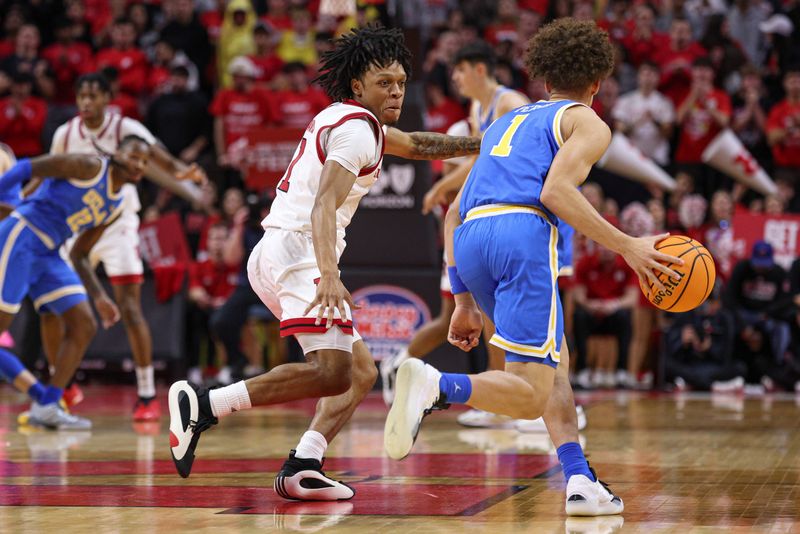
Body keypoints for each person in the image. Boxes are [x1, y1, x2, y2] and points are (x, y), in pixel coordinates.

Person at [167, 25, 483, 501]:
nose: (395, 91)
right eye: (384, 83)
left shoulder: (355, 121)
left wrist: (484, 142)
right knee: (334, 372)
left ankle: (304, 464)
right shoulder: (357, 130)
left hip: (280, 250)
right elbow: (322, 206)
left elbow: (417, 144)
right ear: (358, 85)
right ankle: (205, 403)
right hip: (298, 251)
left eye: (400, 82)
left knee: (360, 374)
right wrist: (330, 276)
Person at [385, 19, 684, 516]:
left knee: (554, 360)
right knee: (527, 395)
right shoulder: (586, 120)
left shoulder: (505, 122)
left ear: (544, 78)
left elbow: (454, 212)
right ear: (597, 82)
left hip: (471, 239)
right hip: (520, 234)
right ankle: (438, 386)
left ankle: (579, 480)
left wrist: (461, 300)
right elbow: (556, 192)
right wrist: (629, 245)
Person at [38, 72, 206, 421]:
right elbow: (50, 173)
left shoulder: (124, 128)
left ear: (106, 99)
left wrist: (182, 172)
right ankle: (62, 385)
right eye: (81, 96)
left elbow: (157, 156)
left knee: (130, 308)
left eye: (93, 96)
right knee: (52, 307)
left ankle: (146, 395)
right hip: (76, 222)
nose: (85, 103)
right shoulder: (65, 134)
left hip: (117, 223)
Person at [384, 40, 531, 429]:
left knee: (529, 318)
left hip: (521, 215)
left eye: (460, 70)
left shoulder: (509, 102)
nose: (455, 78)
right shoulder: (476, 110)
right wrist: (445, 187)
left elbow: (505, 158)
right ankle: (501, 399)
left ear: (480, 70)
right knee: (485, 315)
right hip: (487, 217)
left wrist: (442, 188)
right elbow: (479, 160)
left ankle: (540, 400)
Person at [0, 136, 151, 429]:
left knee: (84, 324)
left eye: (144, 162)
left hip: (50, 251)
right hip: (23, 234)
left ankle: (47, 405)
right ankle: (41, 396)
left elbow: (80, 254)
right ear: (118, 152)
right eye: (134, 155)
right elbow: (25, 169)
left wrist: (99, 297)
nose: (138, 164)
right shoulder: (88, 166)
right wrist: (14, 203)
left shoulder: (116, 204)